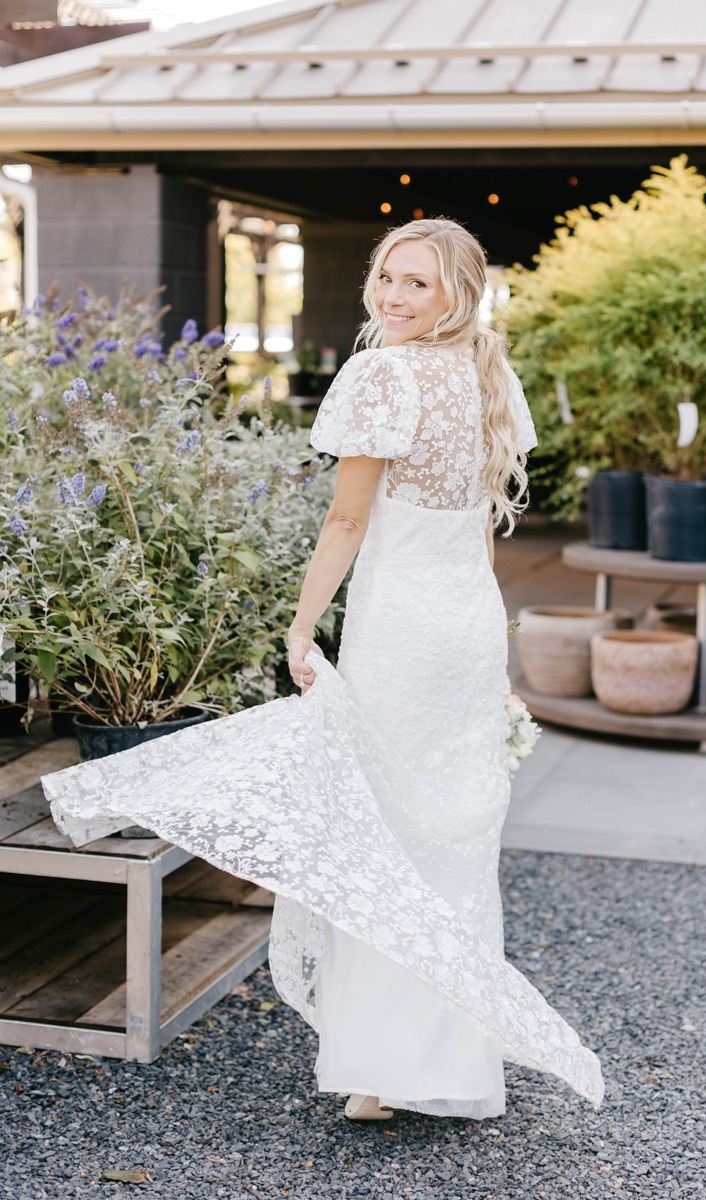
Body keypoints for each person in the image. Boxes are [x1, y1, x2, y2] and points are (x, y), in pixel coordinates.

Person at [43, 218, 603, 1122]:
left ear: (456, 292)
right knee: (442, 839)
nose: (392, 295)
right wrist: (489, 656)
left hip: (408, 633)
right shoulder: (484, 374)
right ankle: (447, 1061)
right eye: (387, 277)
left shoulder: (386, 374)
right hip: (462, 628)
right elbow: (475, 531)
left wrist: (302, 629)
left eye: (417, 283)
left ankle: (383, 1072)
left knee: (381, 832)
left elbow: (346, 523)